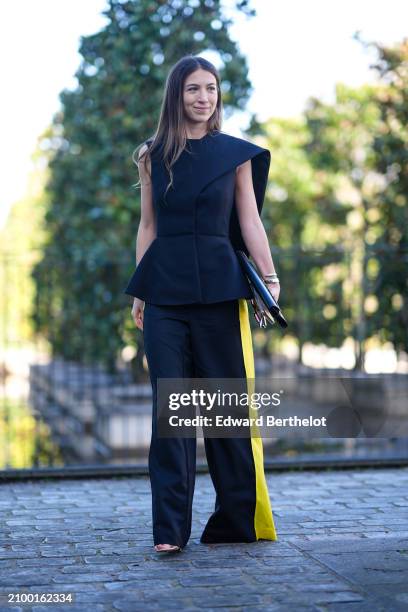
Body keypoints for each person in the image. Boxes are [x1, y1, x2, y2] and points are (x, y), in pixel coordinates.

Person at [123, 55, 280, 553]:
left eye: (211, 89)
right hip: (164, 294)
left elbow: (250, 221)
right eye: (193, 89)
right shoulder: (152, 155)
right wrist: (141, 288)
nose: (203, 98)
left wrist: (269, 279)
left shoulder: (234, 155)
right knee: (171, 413)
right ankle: (169, 532)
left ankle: (234, 521)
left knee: (224, 412)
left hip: (219, 292)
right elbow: (148, 225)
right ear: (177, 95)